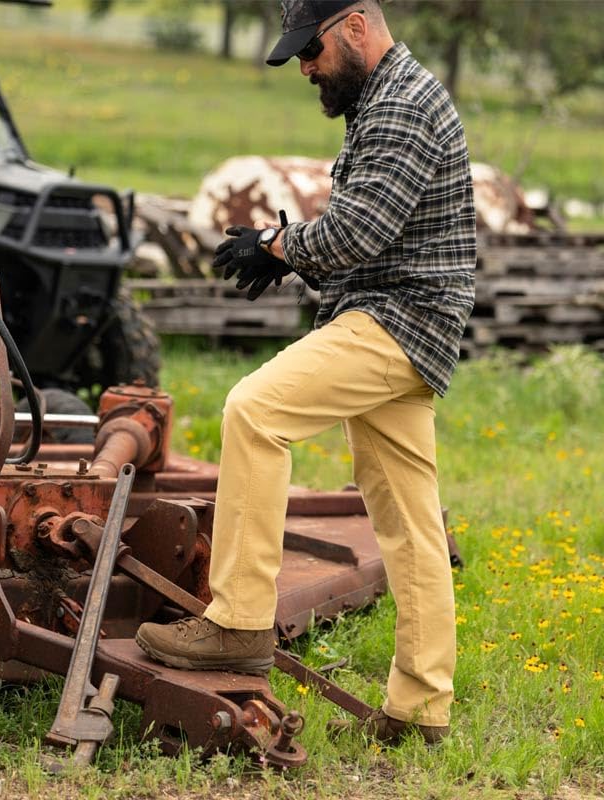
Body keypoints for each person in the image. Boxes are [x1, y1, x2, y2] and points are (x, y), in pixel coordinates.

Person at [136, 0, 476, 745]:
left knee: (255, 410)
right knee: (410, 522)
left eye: (310, 50)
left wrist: (275, 244)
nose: (305, 67)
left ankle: (238, 621)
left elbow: (355, 232)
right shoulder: (388, 97)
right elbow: (373, 235)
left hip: (394, 321)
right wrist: (288, 253)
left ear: (355, 25)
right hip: (406, 321)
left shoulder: (402, 106)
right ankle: (421, 709)